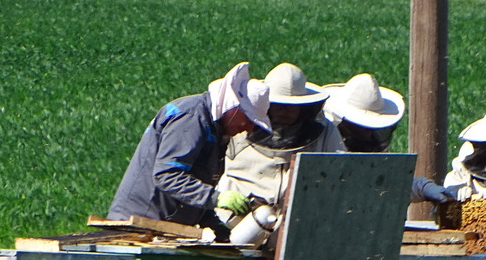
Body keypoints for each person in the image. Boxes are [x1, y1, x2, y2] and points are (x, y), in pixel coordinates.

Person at [107, 62, 271, 235]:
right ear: (233, 107)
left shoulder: (216, 131)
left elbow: (194, 187)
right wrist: (216, 198)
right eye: (248, 119)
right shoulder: (191, 117)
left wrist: (217, 228)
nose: (249, 128)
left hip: (161, 226)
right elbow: (167, 175)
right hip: (138, 225)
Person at [215, 63, 345, 214]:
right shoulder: (241, 124)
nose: (285, 110)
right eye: (279, 104)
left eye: (292, 105)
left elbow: (341, 170)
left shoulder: (325, 131)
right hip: (242, 212)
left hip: (301, 211)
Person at [321, 73, 459, 204]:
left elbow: (385, 181)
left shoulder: (372, 141)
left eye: (372, 126)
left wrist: (423, 187)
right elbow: (357, 183)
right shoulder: (325, 140)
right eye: (363, 126)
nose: (369, 132)